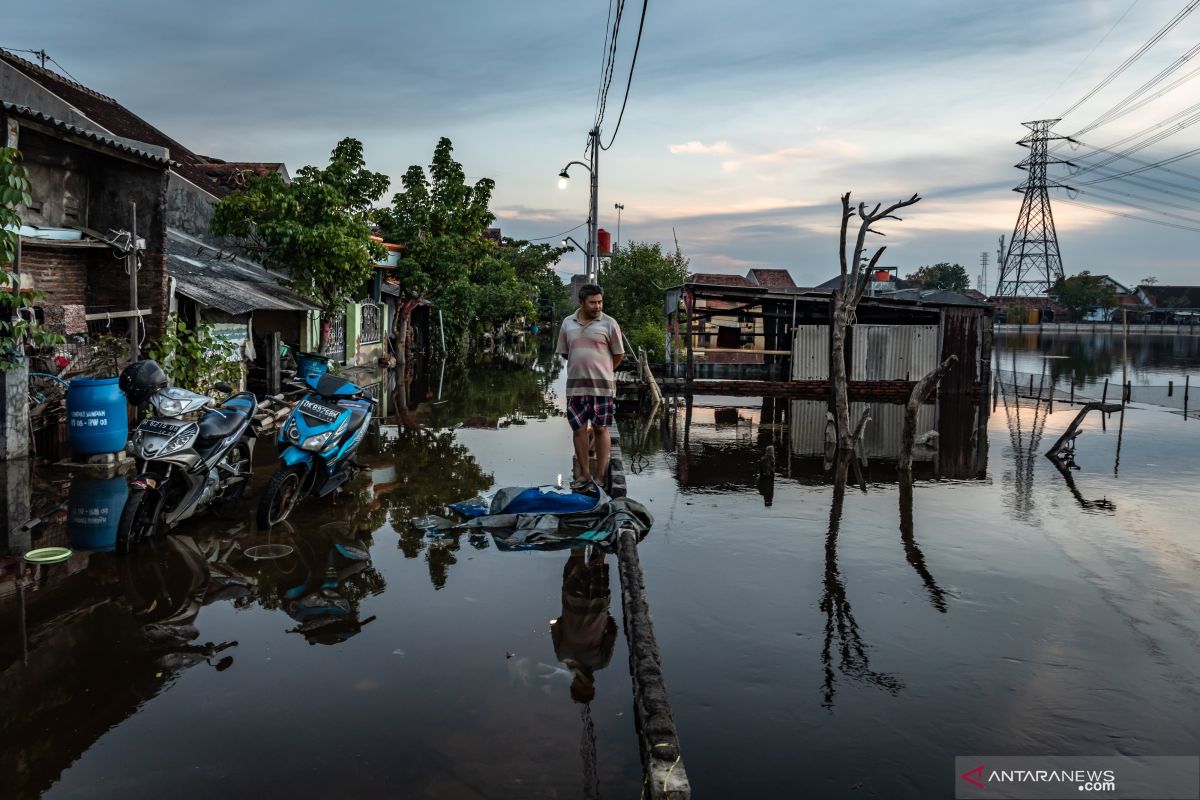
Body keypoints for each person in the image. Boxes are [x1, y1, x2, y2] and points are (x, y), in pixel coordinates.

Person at [556, 284, 624, 490]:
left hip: (601, 388)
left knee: (601, 429)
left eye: (600, 302)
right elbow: (565, 352)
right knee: (578, 429)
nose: (598, 306)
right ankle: (585, 474)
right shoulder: (568, 323)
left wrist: (602, 370)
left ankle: (600, 477)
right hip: (576, 387)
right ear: (581, 303)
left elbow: (618, 355)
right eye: (593, 302)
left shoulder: (609, 324)